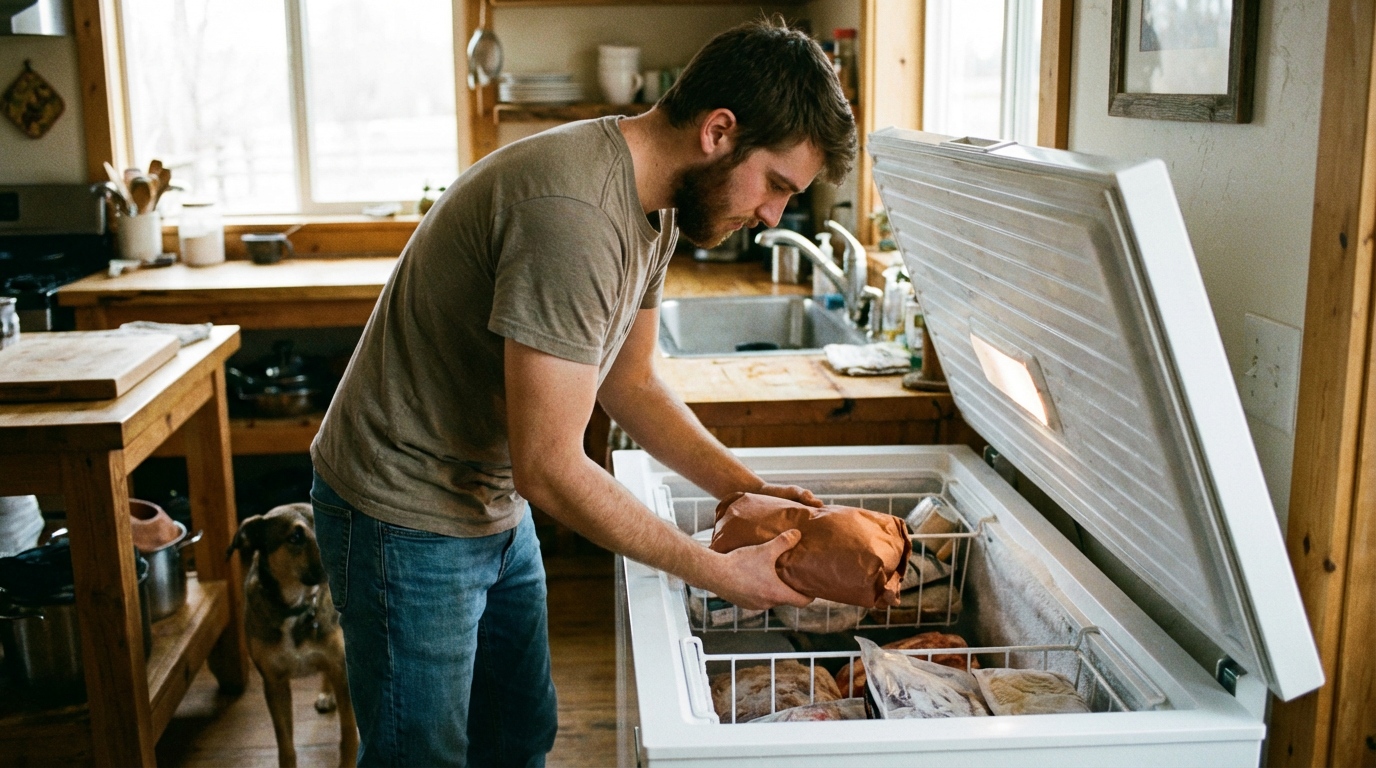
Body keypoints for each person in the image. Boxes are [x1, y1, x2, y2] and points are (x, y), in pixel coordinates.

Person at [308, 17, 857, 767]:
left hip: (489, 496)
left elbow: (629, 383)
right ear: (718, 131)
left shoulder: (659, 203)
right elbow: (552, 467)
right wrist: (718, 571)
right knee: (420, 755)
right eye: (777, 186)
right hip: (401, 511)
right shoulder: (575, 216)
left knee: (518, 733)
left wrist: (746, 491)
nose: (771, 216)